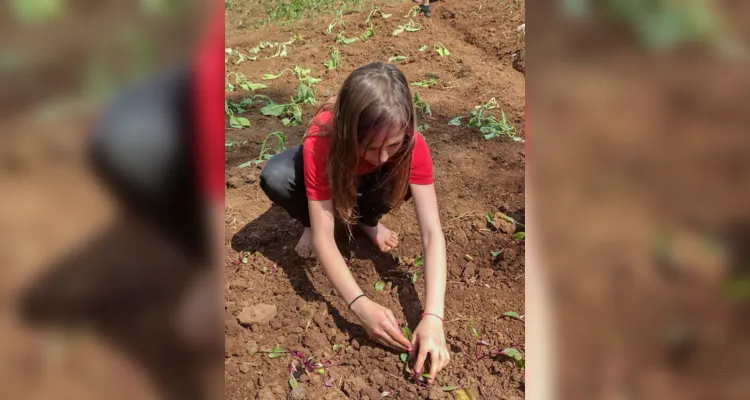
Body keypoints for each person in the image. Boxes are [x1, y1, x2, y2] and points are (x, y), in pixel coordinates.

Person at [260, 62, 450, 381]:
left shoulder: (411, 146)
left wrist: (433, 317)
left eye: (394, 144)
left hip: (364, 186)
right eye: (372, 147)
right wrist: (359, 305)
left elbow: (432, 233)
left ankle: (367, 221)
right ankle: (309, 216)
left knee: (393, 174)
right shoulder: (323, 138)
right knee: (276, 176)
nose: (384, 156)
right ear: (349, 131)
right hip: (334, 174)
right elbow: (325, 239)